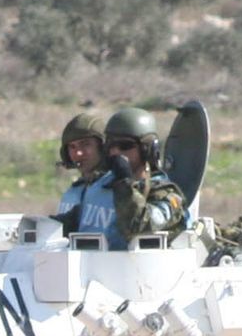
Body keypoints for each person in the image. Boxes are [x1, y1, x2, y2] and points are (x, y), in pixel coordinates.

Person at [67, 106, 187, 250]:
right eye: (111, 145)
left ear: (147, 149)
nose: (116, 152)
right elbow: (75, 222)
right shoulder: (99, 185)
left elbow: (139, 227)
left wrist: (124, 184)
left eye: (125, 145)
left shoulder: (165, 195)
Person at [54, 113, 106, 234]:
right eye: (72, 147)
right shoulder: (72, 192)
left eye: (85, 144)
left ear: (103, 147)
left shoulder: (116, 188)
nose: (78, 153)